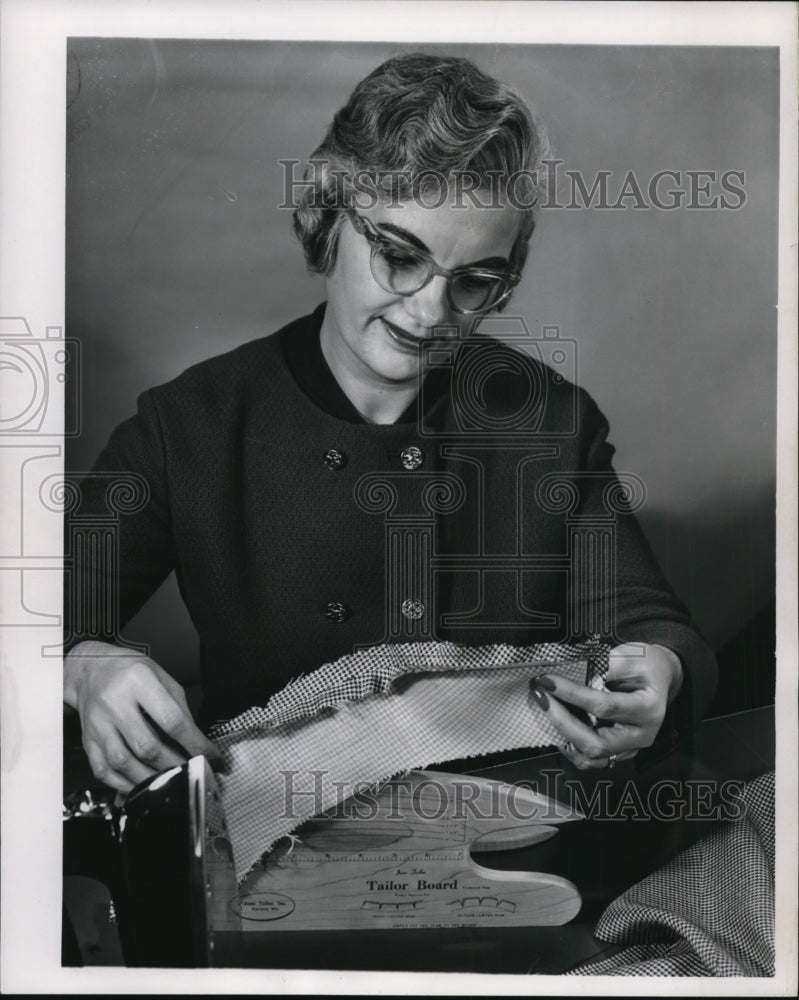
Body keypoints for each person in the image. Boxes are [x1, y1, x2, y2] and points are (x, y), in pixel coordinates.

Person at [63, 52, 717, 794]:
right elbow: (38, 609)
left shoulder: (550, 423)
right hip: (265, 842)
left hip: (512, 837)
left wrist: (654, 675)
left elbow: (648, 623)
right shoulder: (191, 426)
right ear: (327, 216)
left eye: (474, 281)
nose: (428, 313)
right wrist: (85, 663)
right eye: (400, 256)